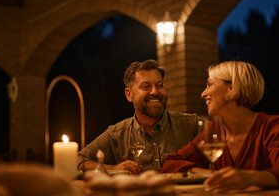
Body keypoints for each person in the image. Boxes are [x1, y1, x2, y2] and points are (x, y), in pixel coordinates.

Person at [161, 61, 279, 193]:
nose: (203, 94)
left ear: (231, 88)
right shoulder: (215, 130)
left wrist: (248, 178)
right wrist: (211, 174)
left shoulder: (272, 125)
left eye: (210, 84)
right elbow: (171, 163)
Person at [78, 59, 207, 174]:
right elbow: (77, 160)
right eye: (146, 87)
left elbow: (222, 133)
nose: (155, 92)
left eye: (159, 85)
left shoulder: (191, 124)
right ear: (129, 94)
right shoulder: (117, 134)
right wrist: (114, 169)